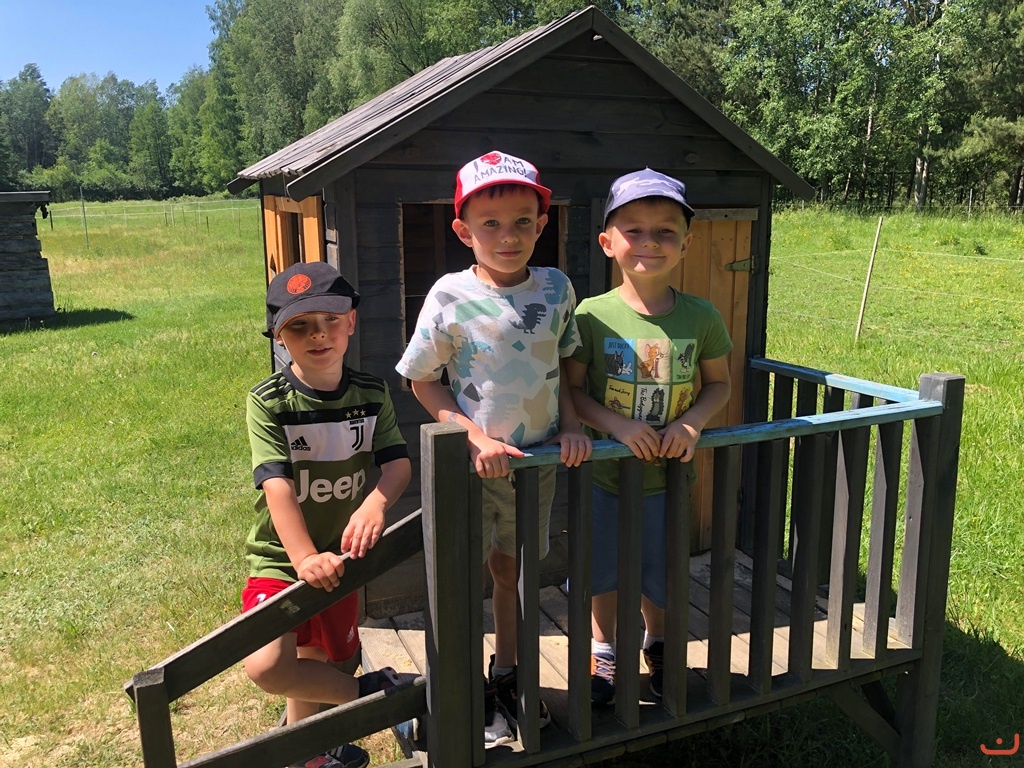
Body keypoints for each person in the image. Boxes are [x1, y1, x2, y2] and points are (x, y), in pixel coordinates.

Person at [396, 150, 592, 746]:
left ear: (542, 223)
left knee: (515, 571)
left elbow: (565, 366)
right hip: (469, 469)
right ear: (464, 231)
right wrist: (474, 437)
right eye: (491, 224)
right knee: (460, 578)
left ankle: (507, 673)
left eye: (523, 222)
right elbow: (421, 379)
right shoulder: (449, 295)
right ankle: (460, 687)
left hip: (536, 467)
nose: (509, 236)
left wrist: (573, 427)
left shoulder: (557, 288)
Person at [566, 169, 733, 705]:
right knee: (604, 569)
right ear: (607, 242)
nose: (649, 242)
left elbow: (720, 384)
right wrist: (616, 426)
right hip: (603, 476)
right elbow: (572, 391)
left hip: (670, 477)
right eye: (633, 229)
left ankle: (658, 643)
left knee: (661, 568)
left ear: (686, 244)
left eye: (665, 231)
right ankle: (604, 649)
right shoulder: (591, 316)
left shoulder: (702, 316)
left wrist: (691, 422)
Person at [242, 261, 413, 768]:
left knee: (316, 656)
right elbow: (276, 484)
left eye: (330, 320)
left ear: (351, 322)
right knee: (269, 665)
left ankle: (309, 755)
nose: (318, 334)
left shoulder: (372, 393)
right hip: (280, 558)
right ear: (279, 336)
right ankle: (371, 695)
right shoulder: (268, 402)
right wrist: (302, 558)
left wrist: (376, 503)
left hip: (341, 558)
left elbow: (397, 465)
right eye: (299, 326)